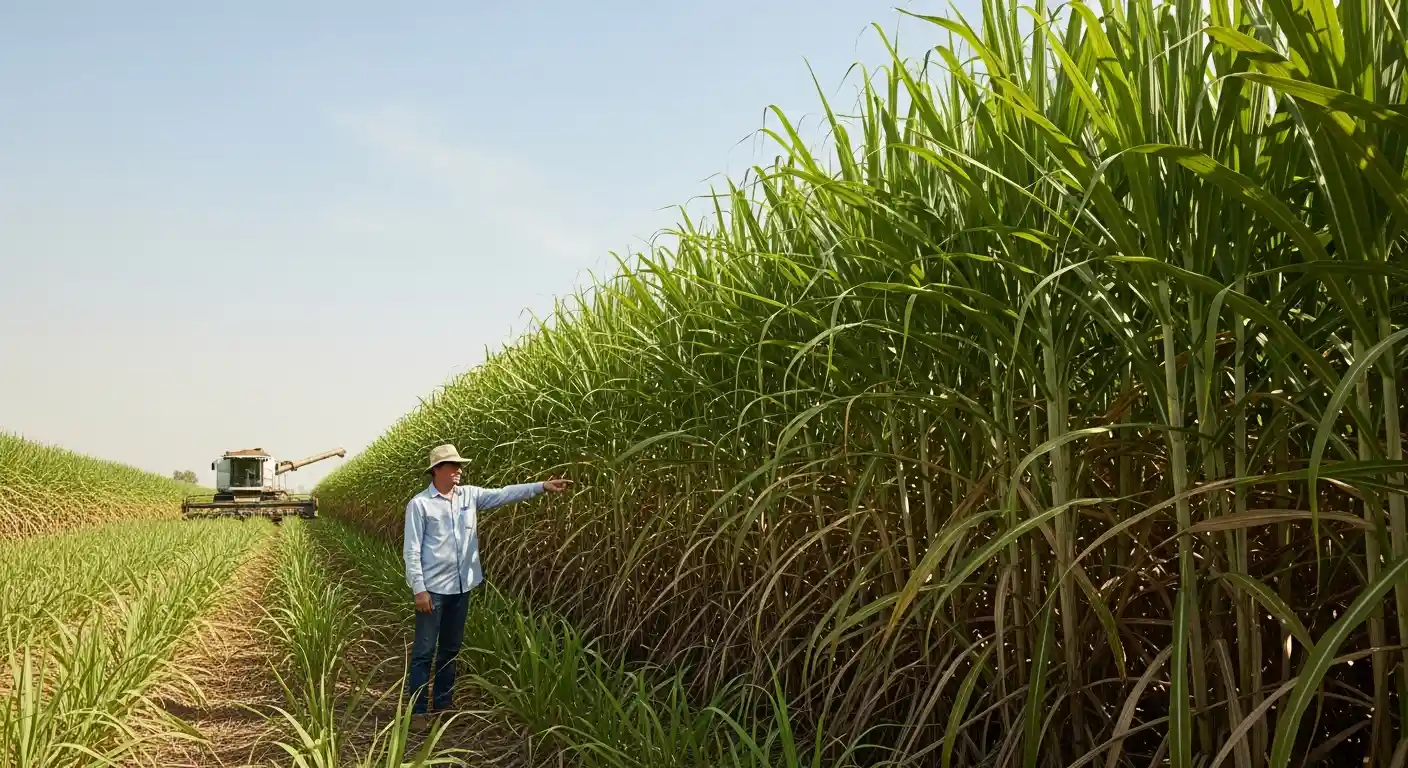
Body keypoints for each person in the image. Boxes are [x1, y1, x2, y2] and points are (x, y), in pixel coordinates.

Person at [402, 443, 572, 729]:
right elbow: (412, 550)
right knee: (424, 650)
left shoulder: (470, 496)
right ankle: (418, 712)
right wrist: (419, 589)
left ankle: (443, 704)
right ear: (436, 470)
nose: (459, 470)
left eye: (459, 465)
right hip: (432, 591)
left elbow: (504, 493)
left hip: (462, 587)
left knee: (450, 649)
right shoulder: (420, 504)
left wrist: (541, 486)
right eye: (453, 465)